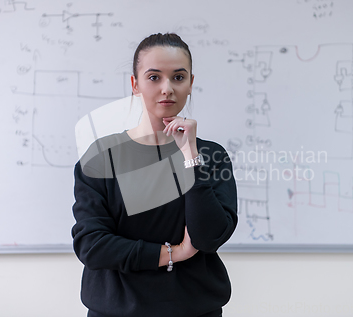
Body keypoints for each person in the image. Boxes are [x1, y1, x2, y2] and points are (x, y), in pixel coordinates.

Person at [71, 32, 238, 317]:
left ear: (190, 84)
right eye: (153, 77)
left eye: (178, 77)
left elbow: (209, 237)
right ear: (135, 84)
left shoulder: (210, 156)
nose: (167, 88)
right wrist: (175, 253)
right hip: (116, 311)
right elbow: (92, 245)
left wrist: (190, 157)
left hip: (195, 310)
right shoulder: (102, 157)